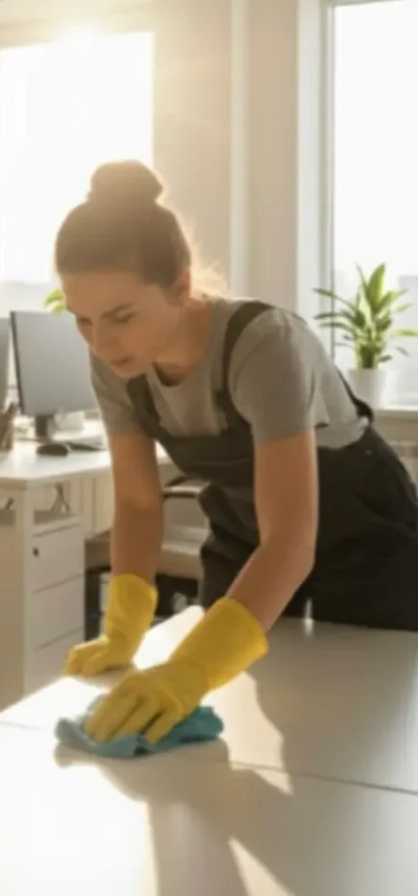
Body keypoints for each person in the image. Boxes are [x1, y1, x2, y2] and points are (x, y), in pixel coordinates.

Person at [57, 160, 418, 745]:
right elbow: (138, 502)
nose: (101, 343)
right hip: (246, 525)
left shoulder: (262, 344)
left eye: (120, 316)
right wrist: (124, 628)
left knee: (354, 719)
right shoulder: (116, 367)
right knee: (236, 717)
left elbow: (292, 540)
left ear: (178, 283)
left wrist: (190, 669)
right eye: (82, 321)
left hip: (359, 525)